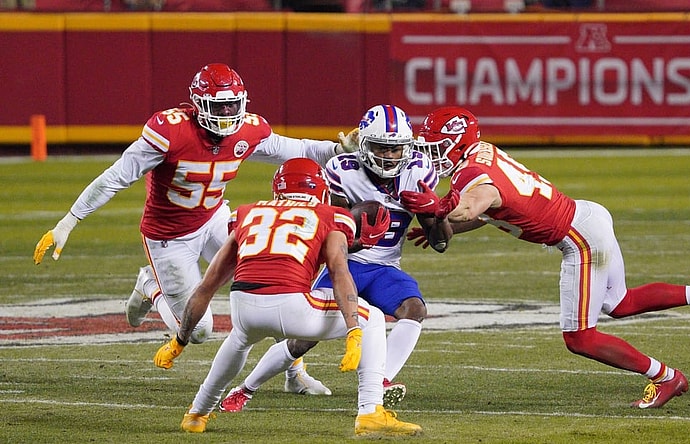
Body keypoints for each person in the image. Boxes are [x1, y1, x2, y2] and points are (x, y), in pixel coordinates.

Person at [400, 106, 690, 409]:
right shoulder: (481, 154)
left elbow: (474, 205)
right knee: (619, 303)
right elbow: (490, 211)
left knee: (580, 338)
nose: (429, 154)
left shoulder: (473, 174)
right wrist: (446, 222)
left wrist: (439, 208)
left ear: (455, 145)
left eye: (434, 147)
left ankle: (666, 377)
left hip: (578, 238)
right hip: (587, 216)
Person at [32, 62, 357, 394]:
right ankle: (149, 285)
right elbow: (117, 176)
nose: (229, 113)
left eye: (234, 105)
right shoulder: (169, 132)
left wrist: (338, 149)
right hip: (168, 238)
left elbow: (299, 149)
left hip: (214, 218)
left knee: (276, 277)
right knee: (199, 331)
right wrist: (68, 222)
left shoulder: (247, 129)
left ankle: (294, 374)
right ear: (199, 104)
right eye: (220, 106)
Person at [152, 158, 422, 436]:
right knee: (374, 318)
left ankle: (197, 413)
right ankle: (370, 412)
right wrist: (353, 328)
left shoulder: (247, 213)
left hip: (243, 305)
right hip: (293, 306)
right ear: (320, 188)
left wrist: (180, 340)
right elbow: (340, 273)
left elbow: (206, 286)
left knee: (239, 340)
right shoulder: (332, 216)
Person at [217, 104, 453, 414]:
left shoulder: (419, 171)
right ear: (365, 146)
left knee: (414, 309)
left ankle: (380, 381)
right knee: (304, 340)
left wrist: (436, 211)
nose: (390, 156)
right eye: (382, 147)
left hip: (384, 268)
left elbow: (440, 243)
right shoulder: (343, 171)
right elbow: (328, 234)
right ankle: (245, 389)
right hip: (344, 264)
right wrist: (358, 231)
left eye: (396, 149)